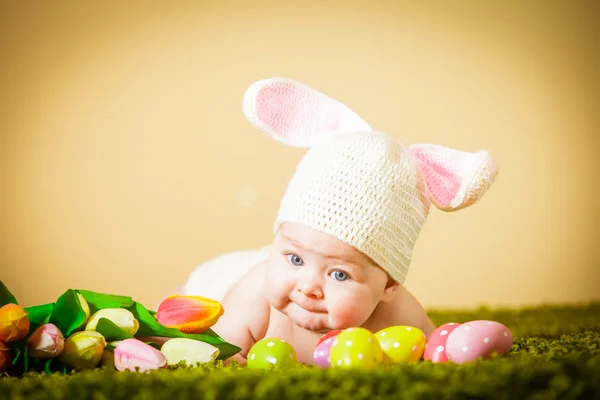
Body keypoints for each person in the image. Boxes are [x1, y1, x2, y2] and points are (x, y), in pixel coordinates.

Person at [179, 77, 498, 365]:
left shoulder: (399, 315)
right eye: (294, 258)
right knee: (176, 312)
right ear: (278, 242)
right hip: (220, 283)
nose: (308, 287)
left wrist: (455, 344)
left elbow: (434, 345)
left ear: (388, 285)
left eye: (339, 274)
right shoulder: (256, 297)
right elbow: (216, 356)